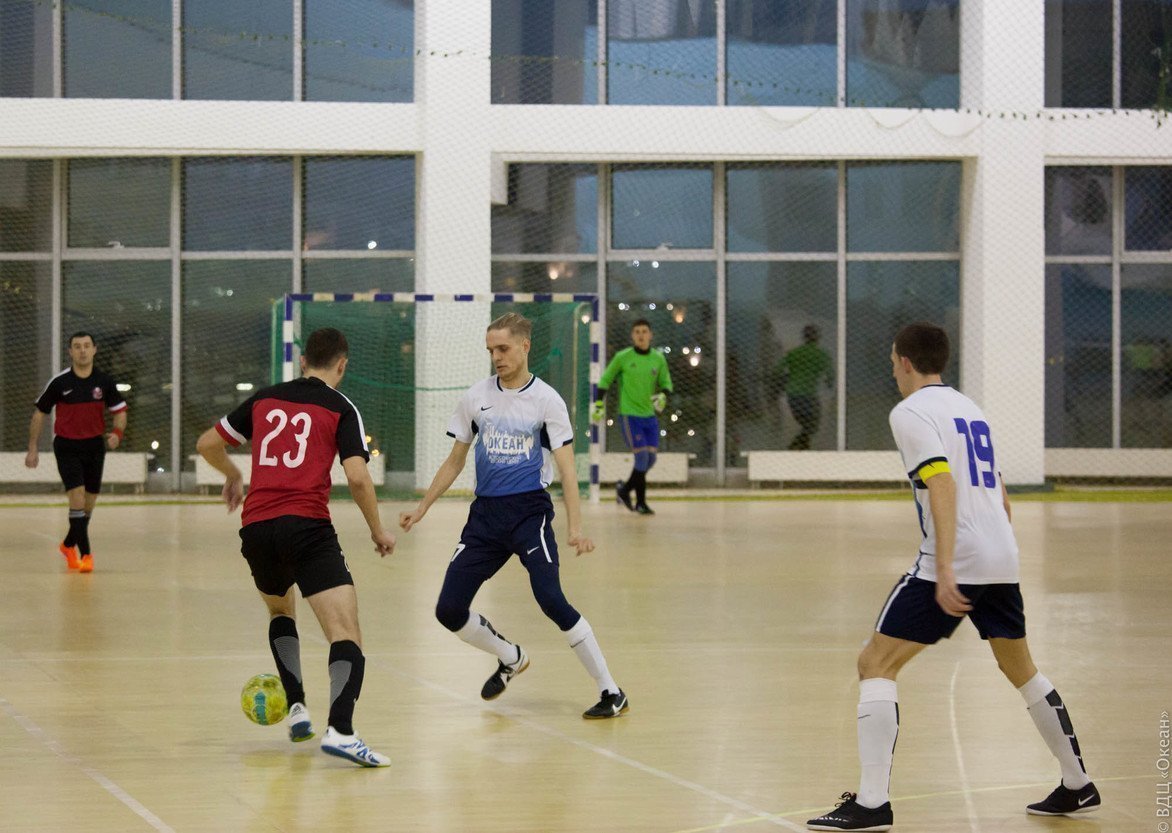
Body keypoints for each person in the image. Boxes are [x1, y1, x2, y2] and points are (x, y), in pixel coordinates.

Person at [807, 323, 1099, 831]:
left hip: (958, 557)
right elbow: (999, 492)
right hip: (1000, 553)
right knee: (1021, 669)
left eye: (893, 362)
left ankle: (872, 804)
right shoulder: (969, 409)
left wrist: (945, 567)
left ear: (904, 362)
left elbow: (940, 482)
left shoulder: (910, 412)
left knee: (875, 662)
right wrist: (993, 556)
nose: (893, 371)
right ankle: (1078, 783)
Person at [399, 312, 628, 719]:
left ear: (525, 346)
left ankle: (611, 690)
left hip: (528, 514)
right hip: (485, 518)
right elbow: (455, 461)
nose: (496, 357)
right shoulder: (476, 397)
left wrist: (575, 528)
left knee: (551, 599)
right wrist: (422, 507)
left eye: (503, 348)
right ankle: (510, 656)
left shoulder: (547, 401)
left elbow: (567, 469)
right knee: (448, 610)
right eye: (491, 350)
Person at [196, 327, 395, 767]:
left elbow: (207, 444)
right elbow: (358, 477)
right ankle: (341, 731)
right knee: (345, 632)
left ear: (303, 361)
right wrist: (378, 531)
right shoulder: (341, 407)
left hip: (256, 528)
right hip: (306, 526)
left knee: (280, 611)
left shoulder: (264, 399)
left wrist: (234, 474)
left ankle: (297, 704)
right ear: (342, 365)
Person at [26, 332, 128, 573]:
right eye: (77, 347)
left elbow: (120, 411)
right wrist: (32, 447)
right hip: (67, 447)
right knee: (77, 498)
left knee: (88, 504)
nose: (82, 351)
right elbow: (39, 413)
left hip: (95, 447)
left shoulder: (104, 382)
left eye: (86, 346)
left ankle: (68, 544)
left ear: (94, 349)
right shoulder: (59, 382)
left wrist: (117, 433)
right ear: (70, 352)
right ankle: (87, 555)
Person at [591, 318, 673, 515]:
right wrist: (599, 403)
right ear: (632, 336)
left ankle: (624, 489)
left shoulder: (658, 358)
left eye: (644, 331)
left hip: (649, 416)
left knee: (651, 459)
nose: (641, 335)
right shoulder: (623, 357)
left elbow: (666, 384)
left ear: (651, 335)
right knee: (642, 457)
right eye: (637, 332)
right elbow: (605, 381)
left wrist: (663, 395)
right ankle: (641, 503)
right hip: (629, 416)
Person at [775, 324, 833, 451]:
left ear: (804, 337)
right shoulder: (822, 355)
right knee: (812, 425)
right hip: (809, 395)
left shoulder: (793, 353)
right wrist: (829, 383)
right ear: (818, 337)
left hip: (793, 395)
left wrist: (788, 377)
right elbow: (830, 376)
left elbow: (777, 370)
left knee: (806, 425)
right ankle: (795, 446)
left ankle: (801, 447)